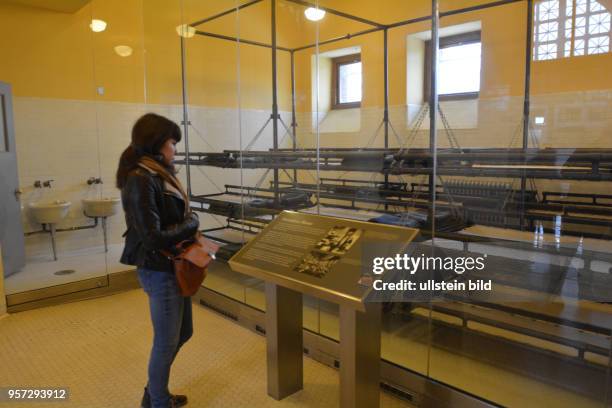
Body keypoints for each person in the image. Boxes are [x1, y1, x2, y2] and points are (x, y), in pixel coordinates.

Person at [116, 113, 199, 408]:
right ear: (157, 143)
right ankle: (158, 402)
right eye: (172, 142)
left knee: (184, 332)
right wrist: (191, 225)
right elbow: (152, 237)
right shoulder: (141, 178)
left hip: (172, 265)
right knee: (165, 343)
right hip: (160, 269)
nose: (174, 148)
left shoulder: (156, 173)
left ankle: (154, 393)